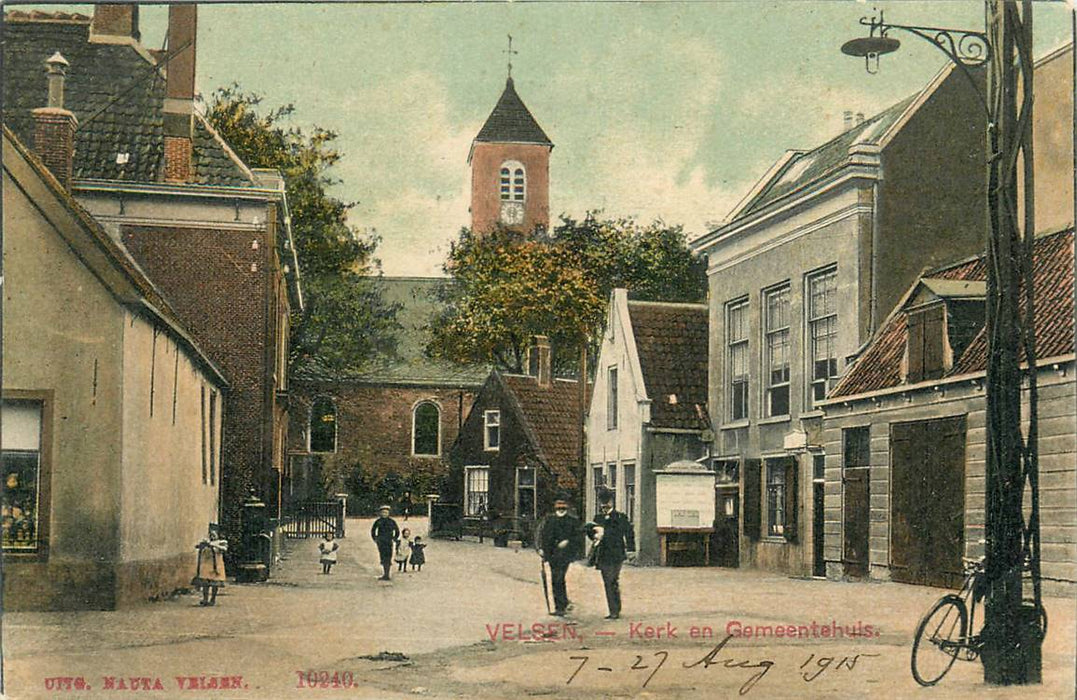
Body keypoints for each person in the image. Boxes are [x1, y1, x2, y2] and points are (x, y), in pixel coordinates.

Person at [589, 487, 635, 620]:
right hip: (602, 554)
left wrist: (631, 550)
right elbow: (591, 534)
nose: (604, 505)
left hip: (616, 554)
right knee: (608, 581)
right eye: (602, 503)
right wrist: (594, 535)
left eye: (607, 502)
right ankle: (614, 609)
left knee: (612, 580)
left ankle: (615, 609)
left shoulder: (620, 517)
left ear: (612, 502)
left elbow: (629, 534)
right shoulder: (597, 518)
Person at [538, 496, 582, 616]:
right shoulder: (549, 520)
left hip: (565, 555)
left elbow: (578, 538)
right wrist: (541, 548)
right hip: (551, 554)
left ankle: (561, 606)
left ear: (566, 508)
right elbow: (542, 535)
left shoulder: (572, 521)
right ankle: (559, 605)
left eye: (563, 507)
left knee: (559, 578)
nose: (561, 510)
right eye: (559, 507)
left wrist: (568, 541)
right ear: (555, 508)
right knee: (554, 579)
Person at [192, 525, 228, 606]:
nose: (212, 535)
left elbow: (224, 549)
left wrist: (213, 545)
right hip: (207, 565)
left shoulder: (222, 542)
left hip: (217, 565)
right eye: (211, 534)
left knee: (215, 584)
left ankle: (213, 599)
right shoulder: (206, 542)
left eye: (214, 534)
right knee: (205, 583)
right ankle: (205, 599)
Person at [371, 505, 400, 581]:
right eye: (383, 512)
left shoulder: (392, 521)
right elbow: (373, 530)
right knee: (383, 557)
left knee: (388, 556)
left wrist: (394, 538)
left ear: (389, 513)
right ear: (380, 513)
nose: (384, 514)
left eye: (386, 512)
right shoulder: (378, 521)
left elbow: (397, 531)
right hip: (381, 542)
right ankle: (385, 574)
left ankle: (387, 574)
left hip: (389, 542)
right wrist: (375, 538)